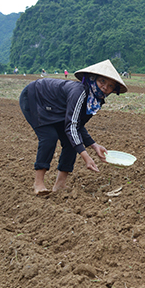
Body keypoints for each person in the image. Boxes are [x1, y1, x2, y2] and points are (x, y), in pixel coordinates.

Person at [19, 59, 127, 196]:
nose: (105, 87)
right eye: (102, 81)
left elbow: (77, 126)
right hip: (35, 98)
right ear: (92, 79)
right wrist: (86, 156)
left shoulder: (94, 101)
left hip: (56, 109)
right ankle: (38, 183)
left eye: (111, 85)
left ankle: (60, 184)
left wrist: (94, 145)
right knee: (49, 137)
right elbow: (71, 127)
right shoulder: (80, 93)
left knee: (71, 142)